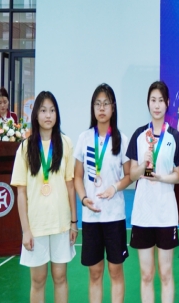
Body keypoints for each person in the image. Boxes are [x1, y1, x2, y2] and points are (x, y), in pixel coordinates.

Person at [10, 91, 77, 303]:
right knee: (38, 280)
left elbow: (70, 186)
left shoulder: (65, 143)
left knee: (60, 277)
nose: (48, 115)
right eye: (43, 110)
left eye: (52, 110)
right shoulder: (25, 147)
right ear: (36, 115)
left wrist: (73, 223)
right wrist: (26, 230)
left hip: (61, 224)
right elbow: (21, 192)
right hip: (36, 226)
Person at [127, 81, 179, 303]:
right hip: (143, 214)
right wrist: (144, 165)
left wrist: (161, 177)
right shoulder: (139, 135)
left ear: (167, 103)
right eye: (153, 100)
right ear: (148, 103)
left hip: (165, 214)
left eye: (161, 100)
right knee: (146, 274)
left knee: (166, 273)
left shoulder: (174, 136)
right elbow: (132, 175)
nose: (157, 105)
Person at [74, 84, 132, 303]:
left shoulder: (121, 139)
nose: (101, 108)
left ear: (113, 108)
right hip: (91, 218)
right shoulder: (84, 138)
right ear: (93, 107)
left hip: (114, 216)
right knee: (95, 273)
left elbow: (130, 175)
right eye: (97, 103)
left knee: (115, 272)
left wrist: (114, 187)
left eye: (106, 103)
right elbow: (77, 176)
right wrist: (83, 199)